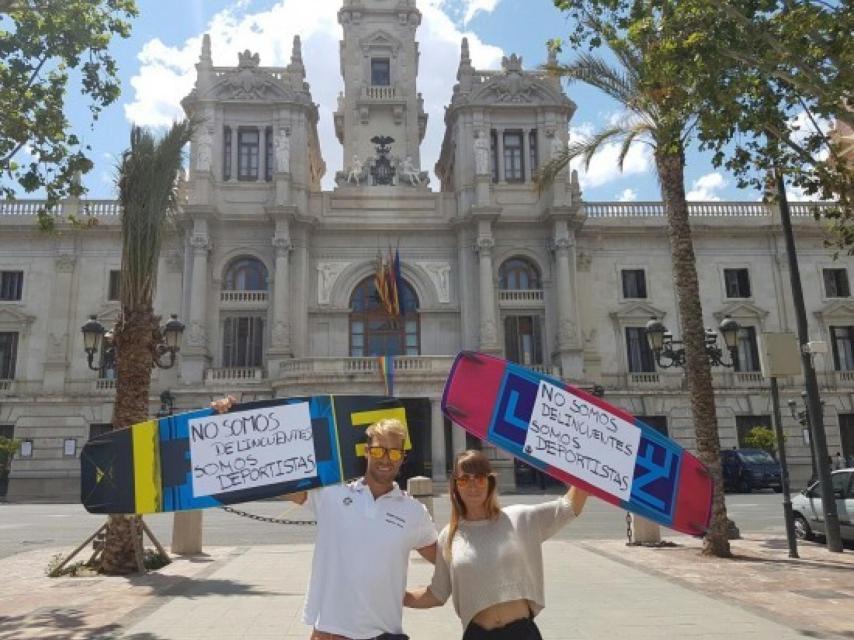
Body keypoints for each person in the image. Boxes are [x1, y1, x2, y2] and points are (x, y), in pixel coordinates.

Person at [211, 396, 437, 640]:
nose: (385, 458)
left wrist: (417, 597)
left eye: (394, 453)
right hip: (329, 633)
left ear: (403, 458)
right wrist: (231, 424)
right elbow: (271, 478)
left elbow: (451, 568)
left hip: (383, 634)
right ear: (366, 452)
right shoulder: (333, 495)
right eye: (379, 450)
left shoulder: (413, 512)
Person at [404, 450, 589, 640]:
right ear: (455, 487)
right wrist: (395, 596)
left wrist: (590, 464)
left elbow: (569, 507)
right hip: (478, 634)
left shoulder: (520, 518)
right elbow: (436, 594)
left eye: (480, 478)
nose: (472, 485)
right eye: (464, 479)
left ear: (490, 482)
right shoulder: (449, 536)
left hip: (521, 633)